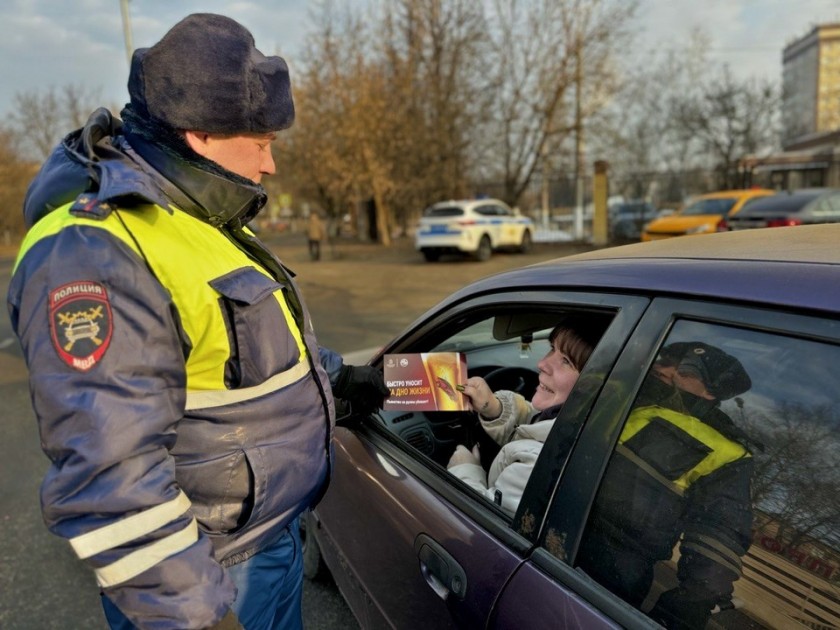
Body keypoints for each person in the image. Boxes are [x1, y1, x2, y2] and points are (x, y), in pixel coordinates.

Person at [7, 13, 388, 630]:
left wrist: (336, 382)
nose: (270, 167)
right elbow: (111, 478)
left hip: (263, 545)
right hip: (209, 576)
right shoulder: (96, 250)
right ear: (202, 134)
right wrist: (200, 618)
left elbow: (235, 355)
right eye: (261, 145)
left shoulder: (196, 219)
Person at [576, 342, 754, 630]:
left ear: (711, 391)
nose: (663, 368)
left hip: (611, 574)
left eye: (684, 369)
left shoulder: (728, 453)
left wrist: (687, 606)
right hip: (553, 523)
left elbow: (719, 539)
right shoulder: (628, 395)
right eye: (664, 359)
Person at [447, 318, 600, 516]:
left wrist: (464, 469)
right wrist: (493, 407)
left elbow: (481, 522)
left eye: (566, 361)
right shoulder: (582, 422)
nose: (542, 363)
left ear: (595, 386)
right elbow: (538, 428)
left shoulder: (540, 465)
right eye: (552, 348)